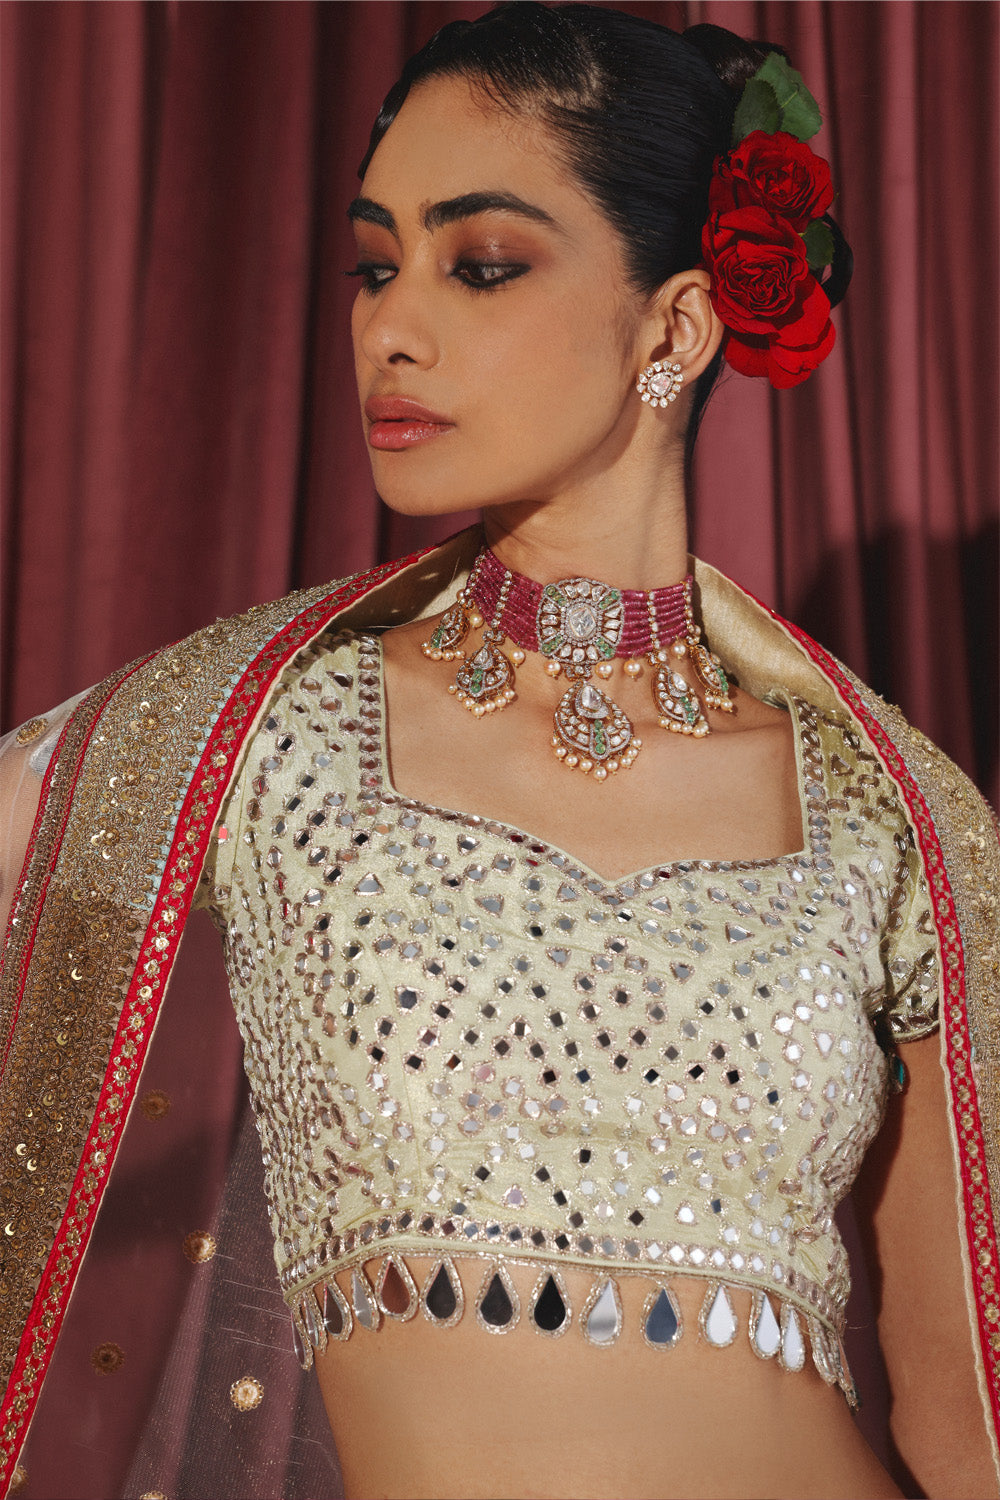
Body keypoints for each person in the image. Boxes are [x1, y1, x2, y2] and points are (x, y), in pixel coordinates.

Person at [1, 6, 997, 1498]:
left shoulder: (887, 819)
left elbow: (966, 1426)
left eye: (479, 264)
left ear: (674, 330)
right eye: (375, 265)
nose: (389, 326)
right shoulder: (259, 737)